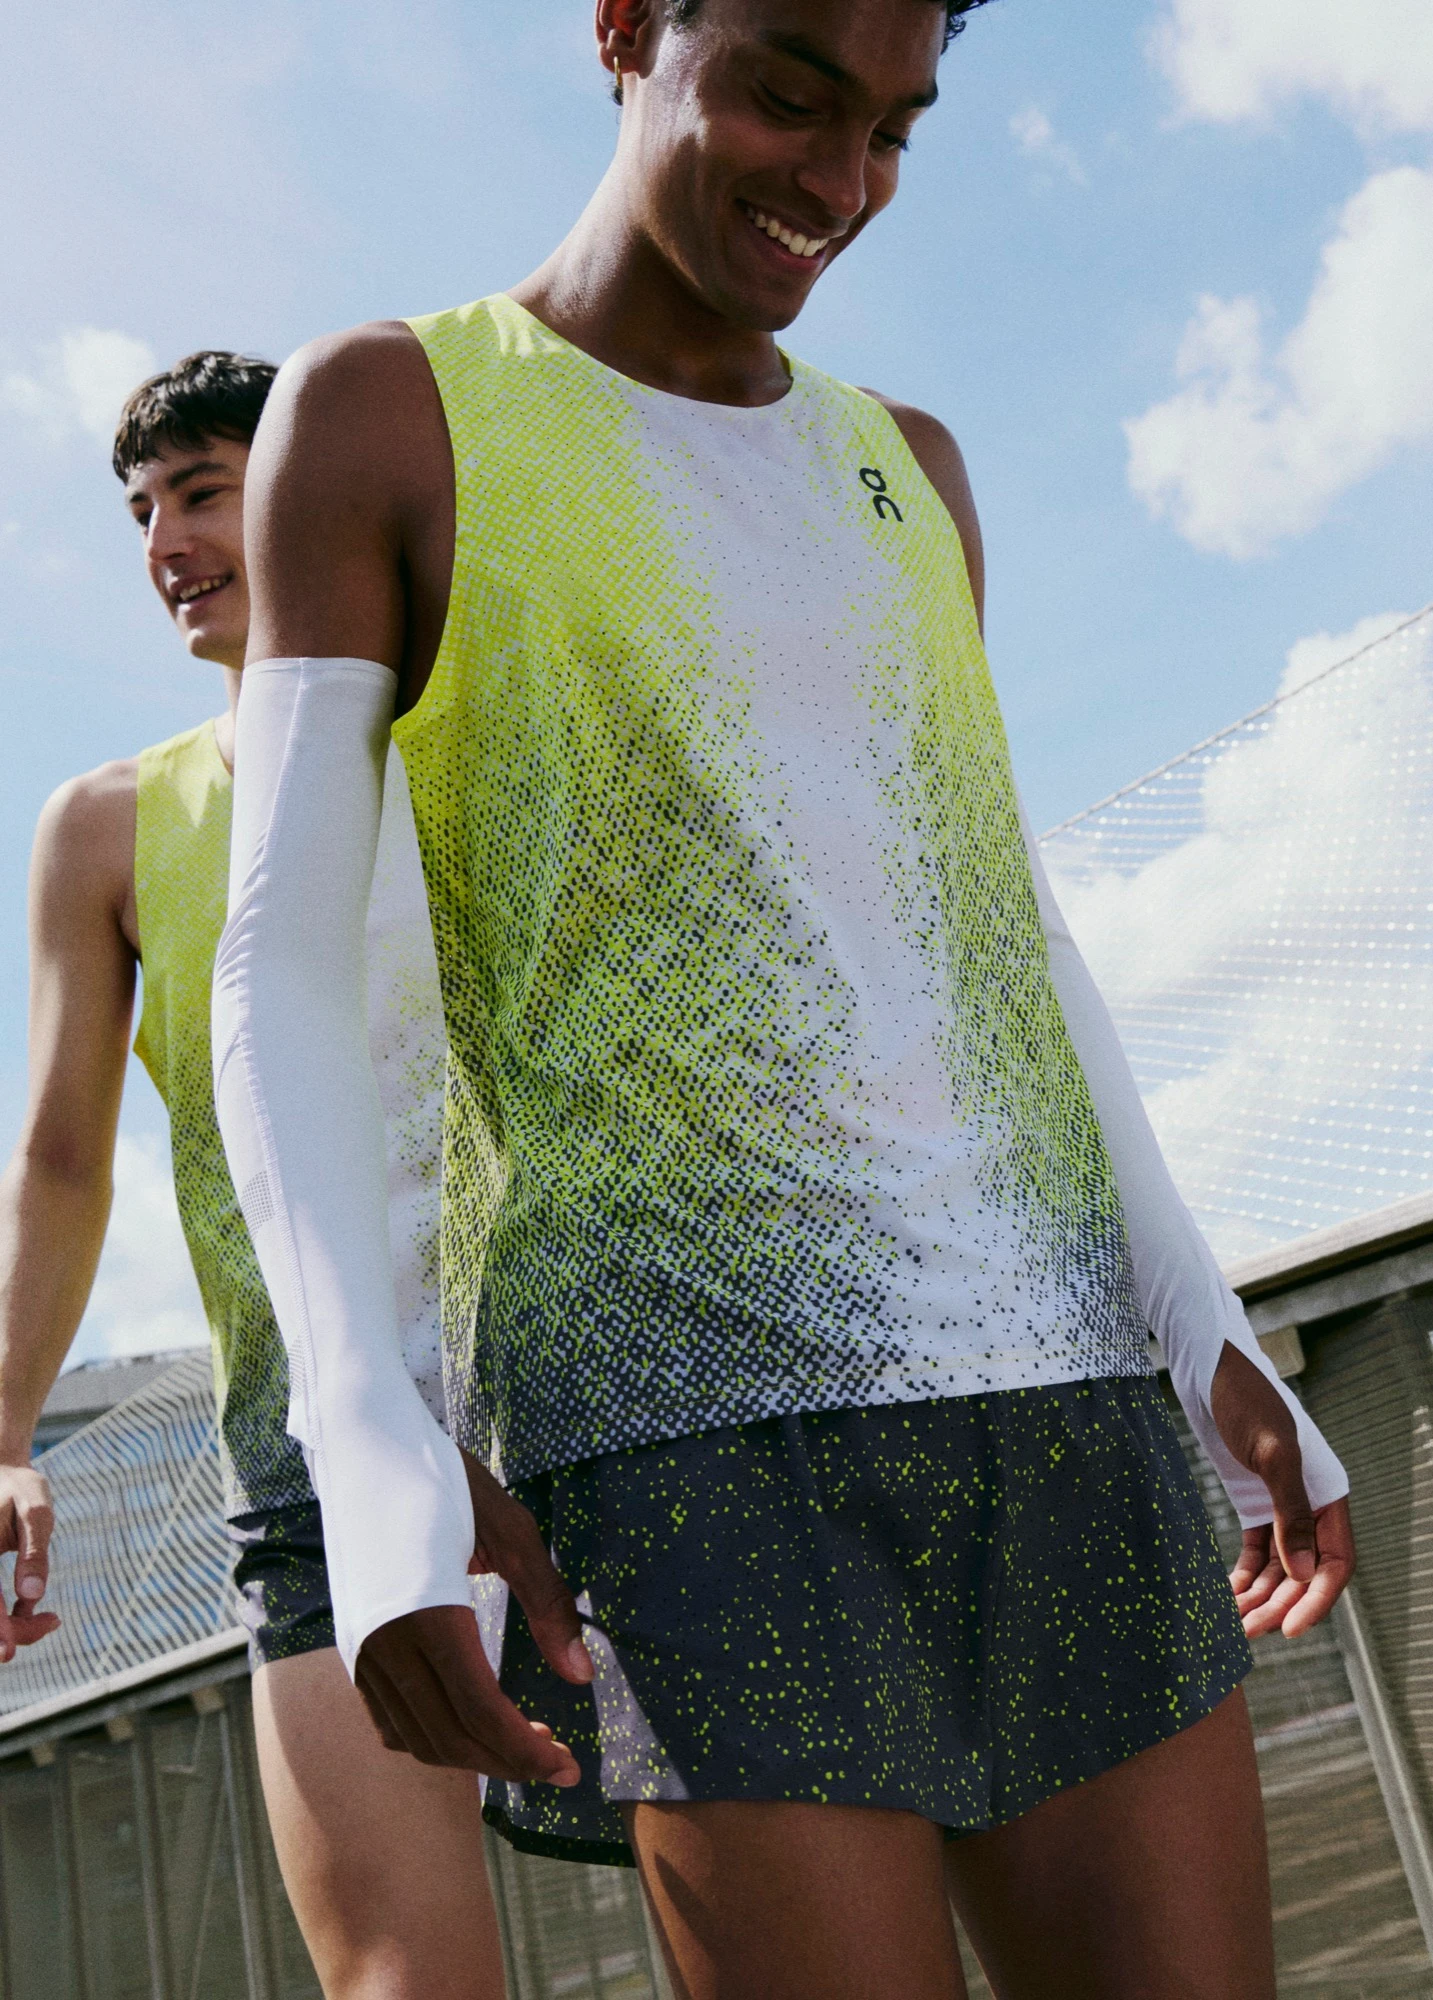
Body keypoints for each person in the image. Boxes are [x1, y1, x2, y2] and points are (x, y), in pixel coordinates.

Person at [214, 3, 1358, 1995]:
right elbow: (281, 972)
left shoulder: (904, 466)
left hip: (1061, 1400)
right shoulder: (390, 409)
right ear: (626, 27)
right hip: (691, 1438)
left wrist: (1196, 1325)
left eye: (892, 126)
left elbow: (1005, 924)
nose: (838, 183)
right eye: (787, 94)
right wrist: (377, 1439)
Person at [0, 352, 514, 2000]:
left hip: (581, 1404)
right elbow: (63, 1154)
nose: (164, 540)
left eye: (204, 491)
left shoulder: (473, 732)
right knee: (394, 1970)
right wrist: (1, 1433)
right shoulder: (102, 829)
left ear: (298, 495)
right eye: (143, 511)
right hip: (308, 1461)